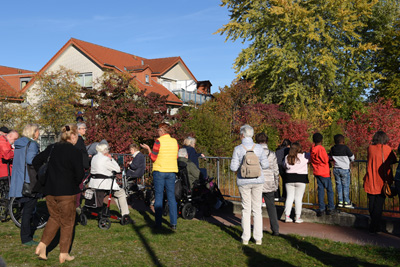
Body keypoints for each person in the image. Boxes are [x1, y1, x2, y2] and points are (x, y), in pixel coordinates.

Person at [33, 124, 84, 263]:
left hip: (50, 191)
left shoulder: (52, 148)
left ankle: (42, 246)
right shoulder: (75, 152)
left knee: (55, 218)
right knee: (67, 222)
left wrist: (46, 176)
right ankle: (64, 253)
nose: (77, 140)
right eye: (77, 137)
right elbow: (80, 174)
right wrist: (72, 182)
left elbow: (36, 161)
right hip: (67, 192)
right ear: (72, 136)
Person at [230, 125, 269, 245]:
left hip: (243, 181)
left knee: (246, 209)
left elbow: (233, 167)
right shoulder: (258, 148)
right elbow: (266, 165)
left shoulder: (238, 148)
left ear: (242, 135)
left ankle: (245, 237)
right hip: (258, 180)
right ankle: (258, 238)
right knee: (257, 209)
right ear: (252, 135)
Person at [141, 123, 179, 230]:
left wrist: (148, 149)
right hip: (171, 171)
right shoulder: (174, 141)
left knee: (159, 196)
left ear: (162, 131)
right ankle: (174, 223)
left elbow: (153, 157)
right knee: (171, 197)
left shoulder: (158, 141)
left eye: (158, 130)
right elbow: (175, 156)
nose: (157, 132)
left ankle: (158, 223)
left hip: (160, 171)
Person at [8, 124, 40, 246]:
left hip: (19, 179)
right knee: (28, 209)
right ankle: (26, 238)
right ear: (34, 132)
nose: (39, 133)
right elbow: (31, 161)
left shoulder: (20, 144)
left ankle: (27, 232)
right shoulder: (31, 144)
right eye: (38, 131)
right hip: (29, 180)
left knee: (25, 208)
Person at [89, 143, 132, 225]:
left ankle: (123, 213)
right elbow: (117, 169)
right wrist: (111, 159)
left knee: (116, 194)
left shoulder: (94, 157)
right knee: (121, 193)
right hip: (104, 184)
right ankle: (125, 214)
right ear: (105, 151)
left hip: (94, 183)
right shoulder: (105, 159)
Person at [363, 131, 397, 234]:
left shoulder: (370, 148)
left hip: (370, 179)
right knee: (378, 205)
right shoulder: (387, 149)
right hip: (382, 181)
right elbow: (394, 160)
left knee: (372, 204)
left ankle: (374, 226)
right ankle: (374, 227)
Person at [255, 133, 280, 236]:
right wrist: (276, 184)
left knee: (256, 207)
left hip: (257, 180)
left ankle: (257, 228)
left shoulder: (254, 153)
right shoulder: (272, 154)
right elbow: (276, 171)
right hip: (269, 182)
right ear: (267, 141)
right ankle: (275, 229)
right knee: (271, 207)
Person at [283, 142, 310, 223]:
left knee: (289, 197)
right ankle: (297, 217)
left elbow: (285, 166)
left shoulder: (287, 157)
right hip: (301, 179)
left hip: (289, 178)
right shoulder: (304, 156)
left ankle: (287, 216)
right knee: (298, 199)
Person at [310, 133, 335, 217]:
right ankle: (331, 207)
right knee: (329, 190)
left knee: (320, 190)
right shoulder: (321, 149)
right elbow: (325, 159)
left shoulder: (312, 149)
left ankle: (321, 208)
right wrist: (329, 158)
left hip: (317, 171)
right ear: (321, 140)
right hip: (324, 171)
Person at [330, 134, 355, 208]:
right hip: (344, 169)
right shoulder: (345, 148)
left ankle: (340, 201)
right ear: (343, 141)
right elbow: (352, 157)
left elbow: (330, 157)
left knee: (339, 186)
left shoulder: (333, 148)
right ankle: (347, 202)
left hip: (336, 169)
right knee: (346, 186)